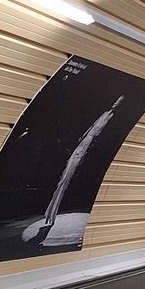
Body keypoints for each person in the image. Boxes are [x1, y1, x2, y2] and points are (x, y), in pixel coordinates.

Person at [43, 96, 123, 227]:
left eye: (119, 102)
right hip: (80, 148)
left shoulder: (112, 118)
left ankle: (51, 214)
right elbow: (89, 131)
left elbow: (97, 135)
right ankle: (50, 213)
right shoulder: (104, 113)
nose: (116, 103)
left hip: (84, 150)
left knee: (64, 183)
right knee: (62, 182)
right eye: (116, 100)